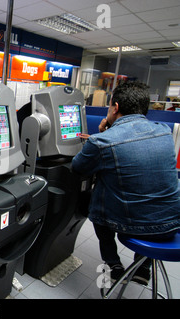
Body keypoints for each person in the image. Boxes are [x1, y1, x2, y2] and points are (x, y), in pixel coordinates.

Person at [72, 82, 180, 285]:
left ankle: (114, 265)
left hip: (131, 226)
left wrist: (102, 134)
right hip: (172, 225)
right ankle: (143, 268)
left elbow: (78, 168)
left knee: (97, 200)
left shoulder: (102, 141)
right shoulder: (164, 132)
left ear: (116, 107)